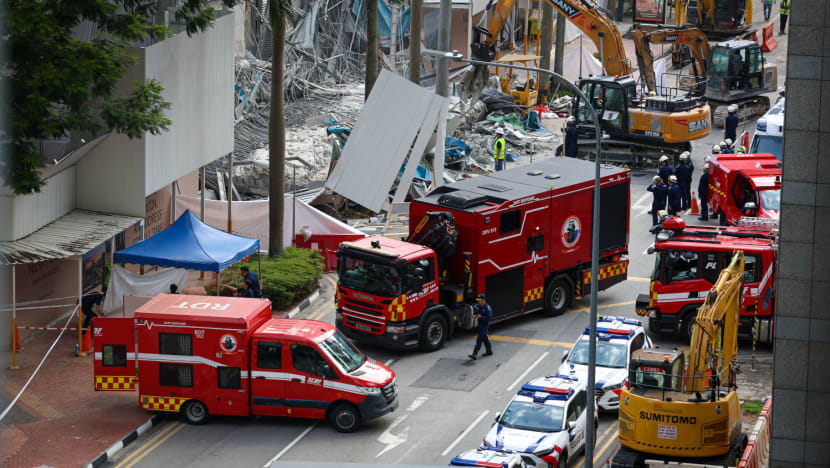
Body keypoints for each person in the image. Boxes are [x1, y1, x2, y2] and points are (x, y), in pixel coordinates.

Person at [468, 294, 493, 360]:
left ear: (483, 300)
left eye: (480, 300)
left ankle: (474, 354)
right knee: (484, 338)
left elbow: (489, 318)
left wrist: (481, 317)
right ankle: (489, 351)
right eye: (478, 300)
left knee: (479, 338)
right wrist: (474, 315)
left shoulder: (487, 308)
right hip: (480, 324)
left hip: (485, 325)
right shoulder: (478, 306)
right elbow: (475, 312)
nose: (478, 301)